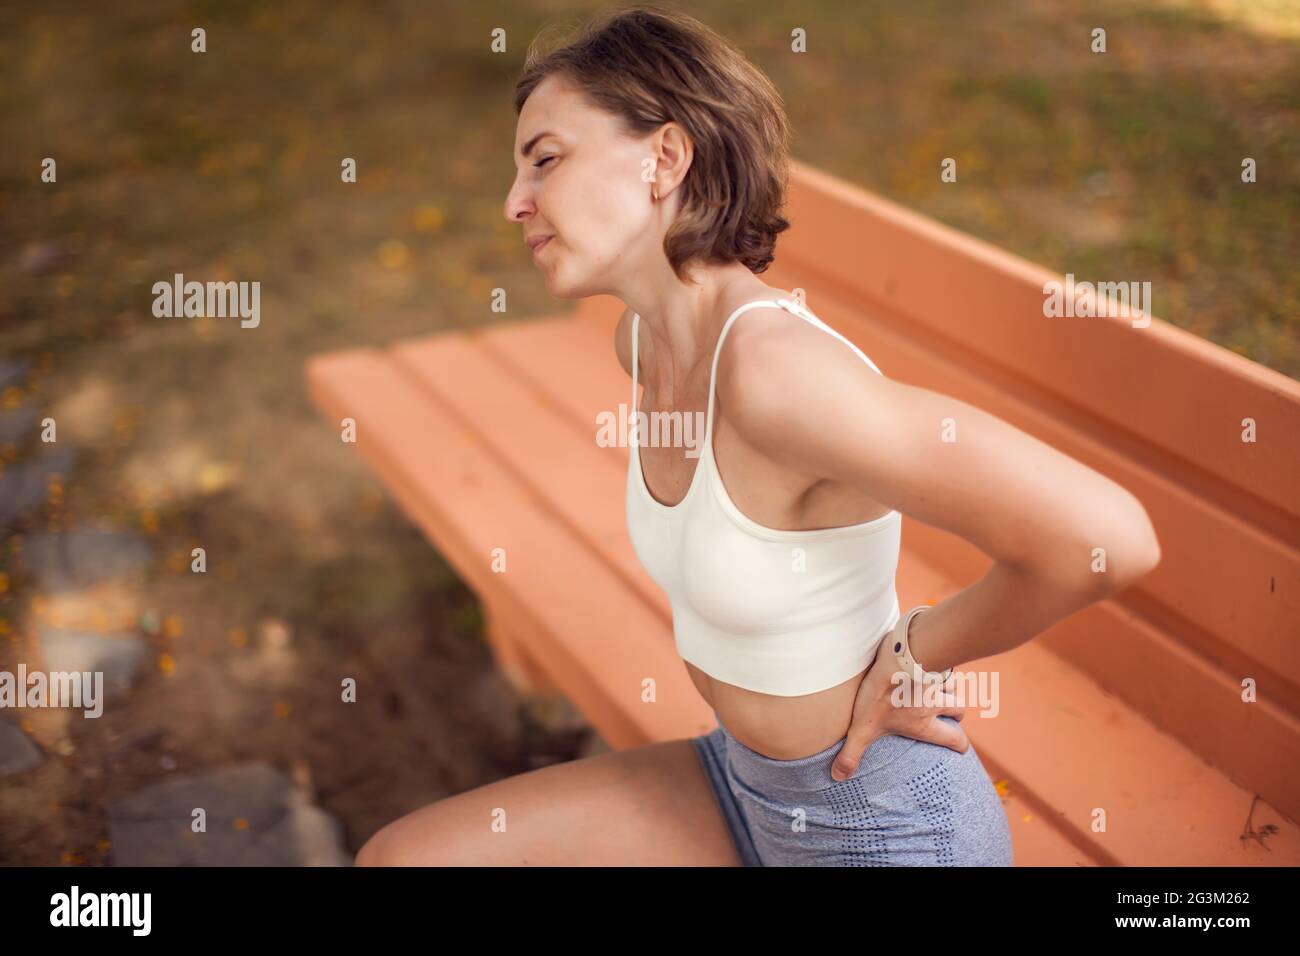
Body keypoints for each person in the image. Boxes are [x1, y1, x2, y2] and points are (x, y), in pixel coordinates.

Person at [356, 6, 1160, 866]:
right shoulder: (646, 340)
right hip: (743, 787)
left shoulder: (774, 374)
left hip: (880, 826)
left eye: (545, 161)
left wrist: (914, 651)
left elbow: (1104, 540)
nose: (514, 202)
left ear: (664, 158)